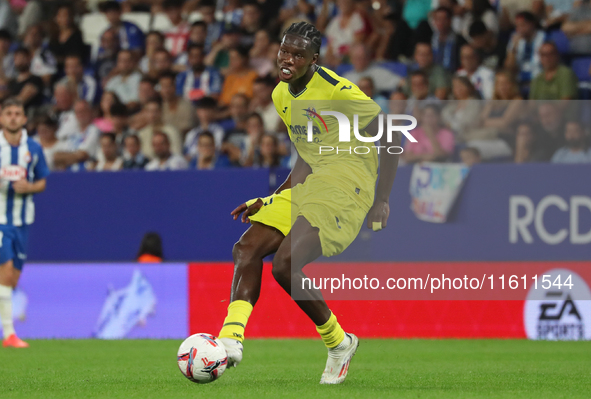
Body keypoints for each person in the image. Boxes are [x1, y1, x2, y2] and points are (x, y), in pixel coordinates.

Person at [217, 21, 397, 385]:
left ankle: (339, 343)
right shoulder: (281, 95)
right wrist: (272, 198)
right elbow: (306, 155)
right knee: (246, 248)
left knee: (285, 265)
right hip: (314, 181)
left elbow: (390, 132)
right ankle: (229, 340)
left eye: (298, 55)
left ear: (314, 60)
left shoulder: (337, 91)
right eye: (284, 51)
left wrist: (382, 198)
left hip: (348, 185)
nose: (287, 59)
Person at [0, 98, 49, 348]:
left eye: (17, 113)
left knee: (13, 278)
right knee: (5, 273)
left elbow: (42, 181)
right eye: (8, 113)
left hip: (22, 220)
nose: (12, 117)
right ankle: (9, 334)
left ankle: (9, 334)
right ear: (1, 118)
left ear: (24, 119)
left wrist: (29, 187)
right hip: (0, 220)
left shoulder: (33, 148)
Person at [53, 100, 101, 172]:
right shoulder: (72, 132)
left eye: (83, 111)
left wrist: (65, 159)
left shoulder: (94, 130)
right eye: (78, 112)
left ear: (90, 112)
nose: (80, 115)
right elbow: (56, 157)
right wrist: (74, 157)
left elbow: (83, 155)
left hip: (86, 174)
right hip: (68, 174)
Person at [504, 11, 546, 84]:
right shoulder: (515, 39)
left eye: (523, 25)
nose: (519, 29)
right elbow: (509, 67)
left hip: (539, 77)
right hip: (520, 78)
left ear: (532, 24)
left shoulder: (543, 37)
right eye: (517, 26)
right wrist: (513, 48)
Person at [48, 5, 86, 73]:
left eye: (67, 15)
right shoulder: (53, 36)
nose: (65, 18)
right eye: (61, 16)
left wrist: (58, 59)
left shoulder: (77, 35)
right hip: (52, 69)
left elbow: (76, 56)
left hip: (70, 70)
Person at [7, 48, 44, 115]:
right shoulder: (11, 82)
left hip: (28, 115)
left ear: (29, 59)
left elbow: (21, 100)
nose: (19, 61)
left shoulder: (35, 79)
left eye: (22, 57)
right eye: (17, 58)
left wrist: (4, 103)